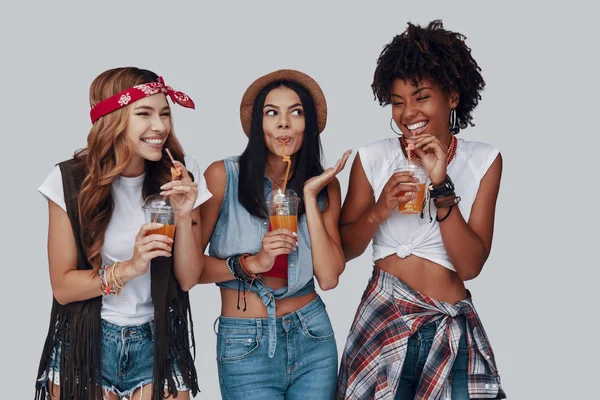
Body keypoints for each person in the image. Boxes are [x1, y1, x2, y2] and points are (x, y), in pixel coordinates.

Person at [336, 21, 507, 399]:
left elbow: (470, 266)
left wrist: (441, 184)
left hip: (450, 324)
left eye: (421, 97)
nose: (407, 112)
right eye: (398, 102)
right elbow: (343, 250)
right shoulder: (372, 157)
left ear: (453, 98)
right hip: (384, 318)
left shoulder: (484, 160)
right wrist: (379, 210)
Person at [35, 67, 211, 399]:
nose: (160, 126)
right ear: (112, 119)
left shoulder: (182, 174)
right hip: (86, 342)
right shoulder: (69, 181)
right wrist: (130, 267)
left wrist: (184, 213)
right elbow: (63, 287)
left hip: (159, 341)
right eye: (144, 113)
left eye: (164, 113)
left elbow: (188, 279)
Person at [198, 69, 351, 399]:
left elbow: (328, 278)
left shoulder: (326, 187)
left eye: (296, 112)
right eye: (272, 113)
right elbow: (187, 269)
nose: (284, 123)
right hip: (246, 341)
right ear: (258, 124)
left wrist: (310, 197)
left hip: (312, 335)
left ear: (308, 123)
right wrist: (251, 263)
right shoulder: (223, 177)